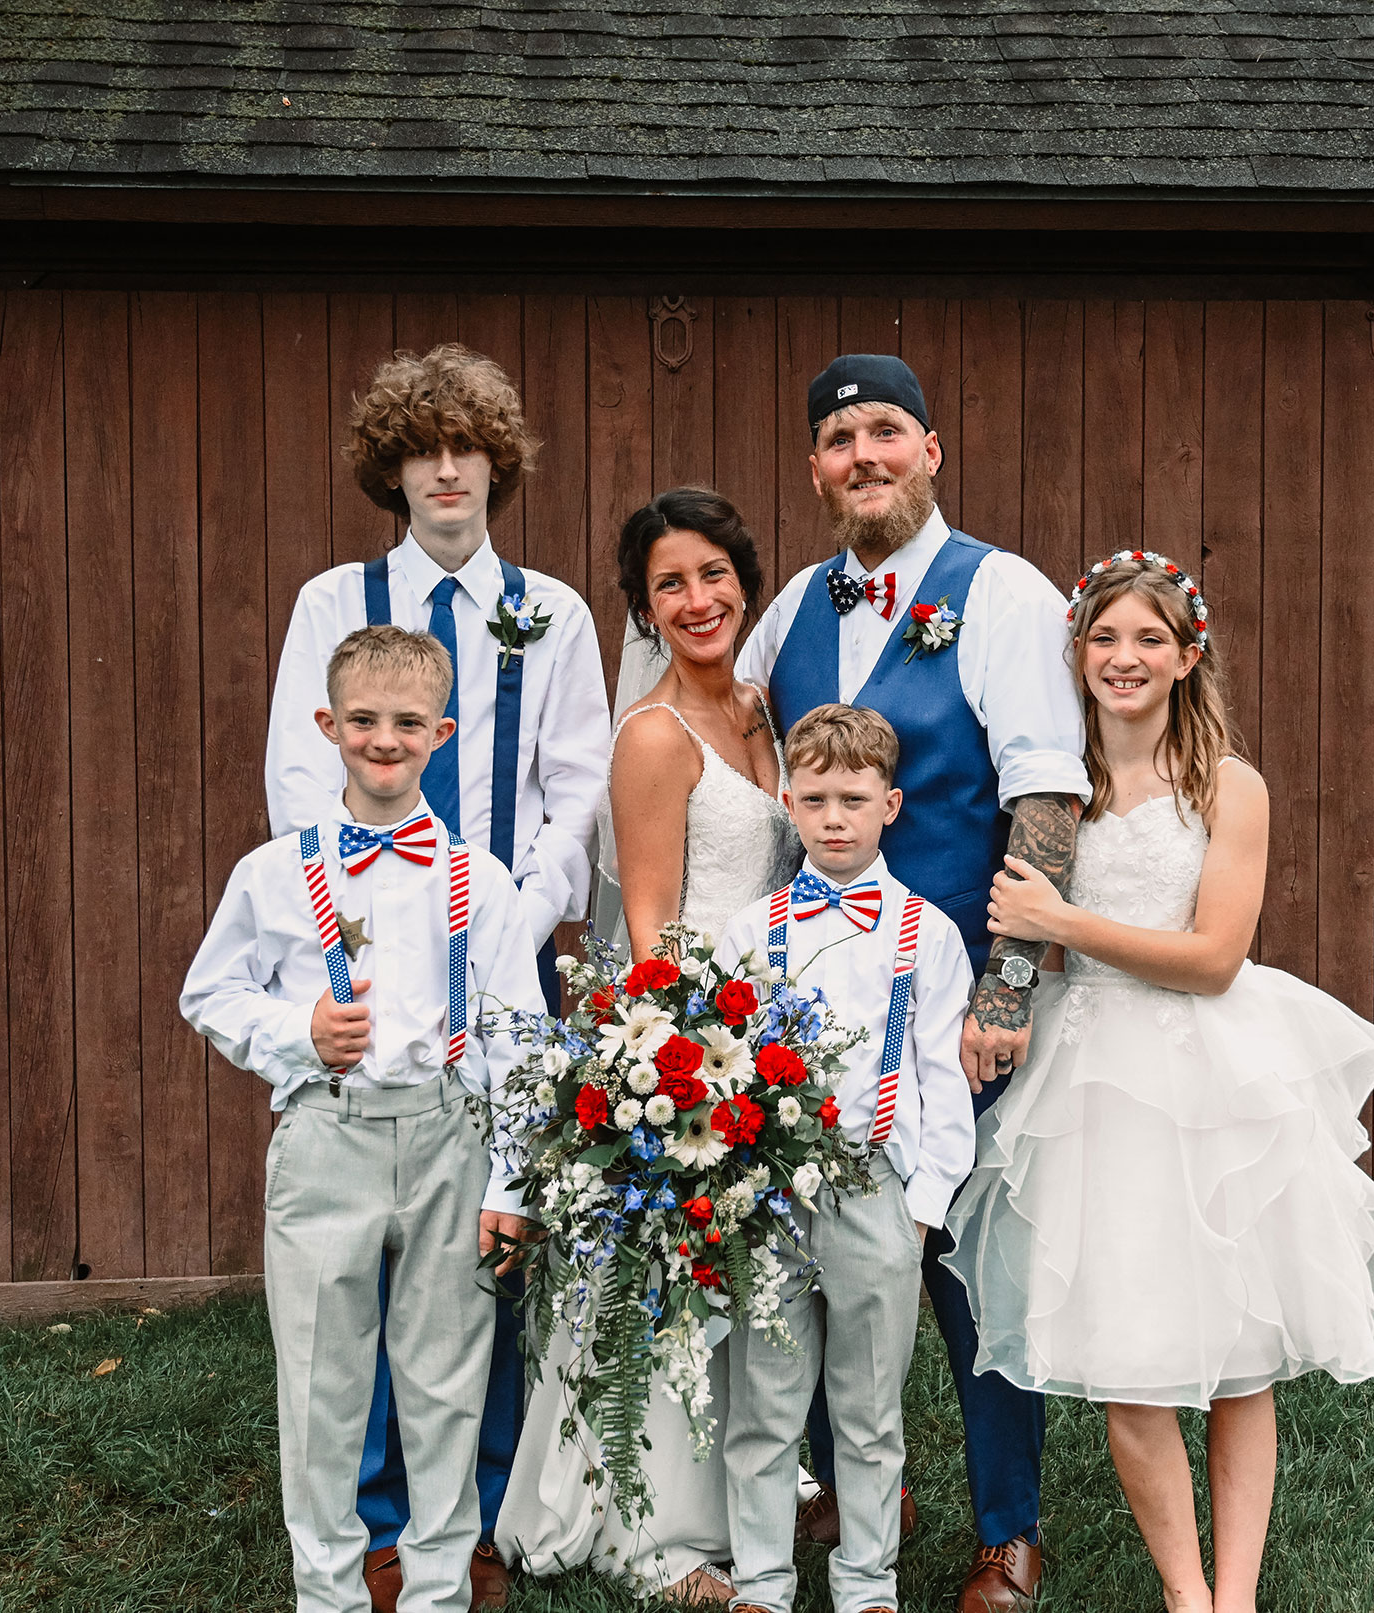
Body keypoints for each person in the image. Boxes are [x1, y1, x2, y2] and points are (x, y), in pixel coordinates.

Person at [943, 552, 1374, 1613]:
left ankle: (1233, 1595)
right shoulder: (1056, 794)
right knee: (1125, 1353)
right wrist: (1016, 975)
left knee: (1243, 1357)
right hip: (1092, 1079)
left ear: (1190, 656)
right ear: (1076, 653)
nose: (1125, 657)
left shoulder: (1226, 786)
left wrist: (1062, 924)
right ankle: (1186, 1593)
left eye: (1151, 638)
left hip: (1211, 1068)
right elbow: (1026, 944)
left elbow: (1214, 955)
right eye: (1105, 637)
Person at [736, 355, 1087, 1613]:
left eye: (886, 429)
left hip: (960, 1003)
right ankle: (853, 1488)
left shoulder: (999, 593)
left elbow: (1044, 795)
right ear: (818, 468)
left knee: (967, 1260)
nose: (863, 454)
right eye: (838, 438)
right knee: (823, 1255)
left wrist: (1005, 989)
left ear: (932, 448)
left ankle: (1010, 1528)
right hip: (818, 1012)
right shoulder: (792, 611)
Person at [264, 344, 607, 1610]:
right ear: (393, 468)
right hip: (373, 962)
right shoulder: (331, 603)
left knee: (489, 1233)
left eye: (469, 448)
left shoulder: (551, 611)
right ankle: (369, 1519)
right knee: (358, 1245)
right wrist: (346, 931)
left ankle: (476, 1514)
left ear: (496, 466)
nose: (448, 468)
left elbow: (575, 783)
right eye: (425, 448)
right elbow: (300, 782)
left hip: (503, 958)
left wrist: (529, 903)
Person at [182, 625, 542, 1613]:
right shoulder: (272, 872)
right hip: (325, 1138)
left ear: (442, 730)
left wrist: (512, 1181)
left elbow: (522, 1039)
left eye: (408, 723)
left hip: (450, 1141)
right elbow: (209, 992)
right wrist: (297, 1028)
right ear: (329, 725)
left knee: (444, 1383)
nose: (386, 740)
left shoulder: (481, 878)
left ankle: (434, 1590)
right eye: (366, 722)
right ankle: (329, 1594)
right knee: (321, 1387)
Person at [496, 486, 798, 1603]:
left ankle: (743, 1490)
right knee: (670, 1278)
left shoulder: (763, 712)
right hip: (691, 1040)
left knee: (742, 1281)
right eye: (670, 583)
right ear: (645, 608)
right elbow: (652, 928)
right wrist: (687, 1066)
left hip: (774, 1029)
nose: (698, 598)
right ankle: (652, 1527)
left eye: (713, 574)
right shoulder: (654, 735)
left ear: (744, 580)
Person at [713, 704, 975, 1613]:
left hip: (875, 1192)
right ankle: (761, 1584)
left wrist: (919, 1207)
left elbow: (943, 1081)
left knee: (868, 1414)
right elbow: (722, 1070)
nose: (833, 817)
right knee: (765, 1404)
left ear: (890, 804)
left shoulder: (927, 935)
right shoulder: (747, 935)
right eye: (815, 797)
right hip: (772, 1195)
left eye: (853, 799)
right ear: (787, 800)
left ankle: (868, 1585)